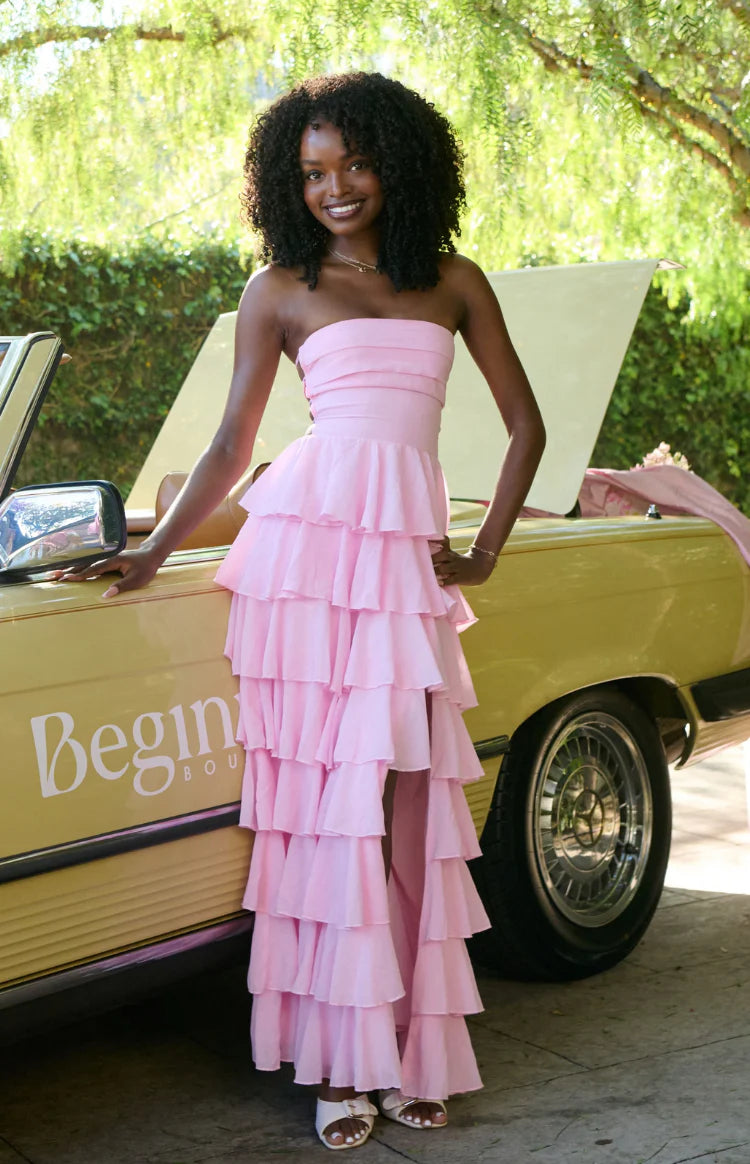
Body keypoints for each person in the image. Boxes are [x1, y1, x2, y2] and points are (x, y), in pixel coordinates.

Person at [60, 72, 546, 1151]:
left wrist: (483, 551)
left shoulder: (454, 282)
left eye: (354, 164)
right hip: (305, 566)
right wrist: (152, 551)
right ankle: (341, 1067)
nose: (333, 188)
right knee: (333, 817)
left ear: (401, 163)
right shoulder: (277, 289)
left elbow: (527, 428)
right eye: (312, 171)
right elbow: (234, 446)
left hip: (406, 577)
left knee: (417, 807)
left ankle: (417, 1052)